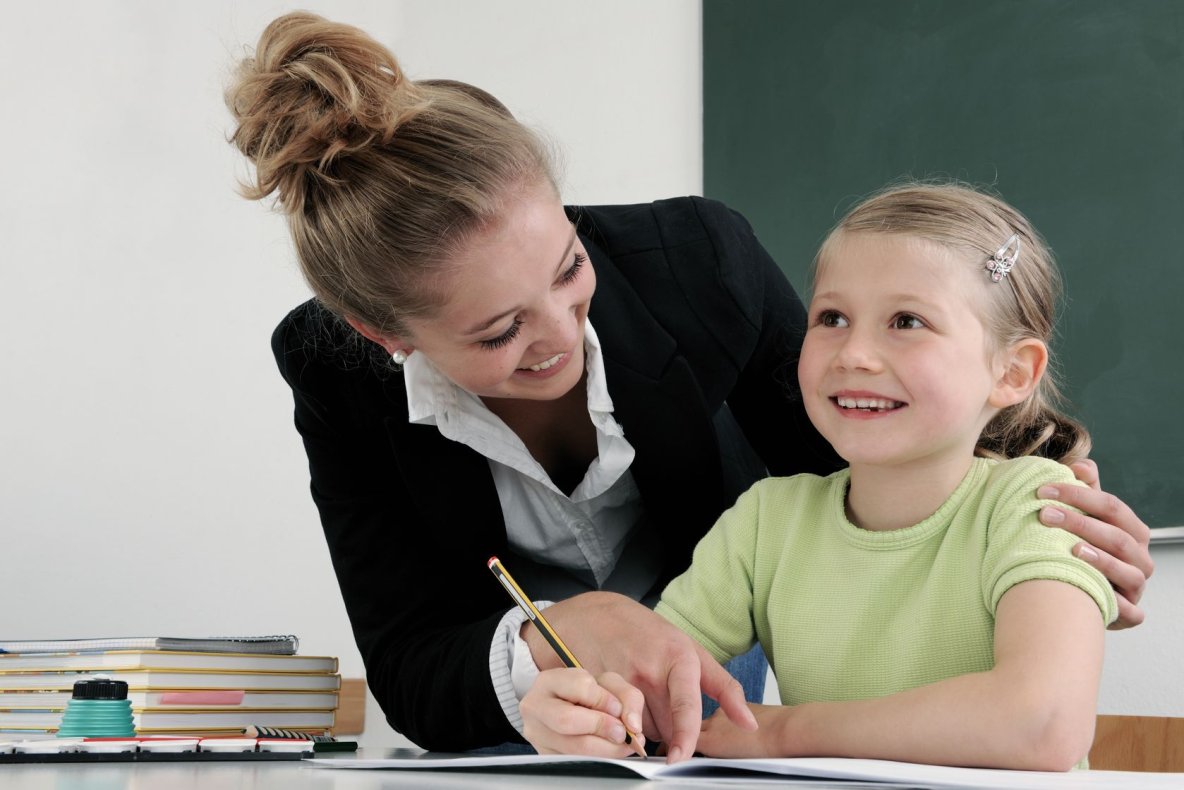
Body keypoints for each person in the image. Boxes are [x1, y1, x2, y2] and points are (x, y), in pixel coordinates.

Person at [224, 12, 1153, 759]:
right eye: (501, 331)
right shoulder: (332, 369)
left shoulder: (696, 266)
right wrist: (557, 674)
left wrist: (1058, 475)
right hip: (584, 706)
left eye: (569, 266)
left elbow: (882, 440)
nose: (564, 336)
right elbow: (416, 657)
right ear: (382, 335)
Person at [521, 182, 1120, 771]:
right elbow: (652, 678)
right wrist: (589, 710)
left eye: (907, 321)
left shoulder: (1041, 505)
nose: (853, 352)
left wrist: (788, 732)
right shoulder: (767, 520)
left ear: (1014, 372)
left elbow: (1043, 723)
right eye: (831, 317)